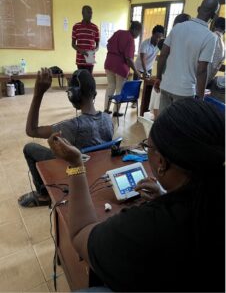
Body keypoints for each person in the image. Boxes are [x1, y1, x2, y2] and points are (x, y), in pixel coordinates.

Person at [48, 98, 225, 292]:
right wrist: (168, 196)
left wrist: (75, 164)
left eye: (147, 147)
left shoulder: (148, 228)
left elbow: (80, 235)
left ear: (162, 163)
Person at [18, 68, 113, 207]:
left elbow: (31, 130)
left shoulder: (72, 126)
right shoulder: (107, 118)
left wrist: (38, 93)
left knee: (30, 148)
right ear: (95, 93)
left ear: (72, 96)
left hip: (75, 169)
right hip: (98, 172)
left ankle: (43, 195)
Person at [155, 0, 220, 113]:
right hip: (184, 92)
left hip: (166, 85)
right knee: (179, 128)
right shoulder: (210, 37)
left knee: (163, 124)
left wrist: (158, 77)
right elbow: (202, 70)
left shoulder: (178, 28)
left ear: (198, 8)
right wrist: (200, 98)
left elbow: (163, 54)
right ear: (214, 16)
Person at [149, 14, 191, 120]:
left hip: (169, 82)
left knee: (161, 109)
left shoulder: (174, 37)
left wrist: (158, 77)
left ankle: (159, 126)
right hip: (177, 84)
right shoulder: (188, 40)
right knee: (166, 110)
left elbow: (162, 56)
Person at [104, 21, 142, 117]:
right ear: (135, 30)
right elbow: (129, 58)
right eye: (139, 32)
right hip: (120, 66)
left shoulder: (119, 32)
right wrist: (136, 71)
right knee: (119, 89)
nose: (138, 35)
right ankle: (115, 112)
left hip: (109, 62)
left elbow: (108, 44)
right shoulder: (130, 39)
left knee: (111, 86)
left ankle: (106, 110)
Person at [72, 5, 100, 74]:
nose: (90, 15)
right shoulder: (76, 27)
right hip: (80, 59)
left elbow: (97, 45)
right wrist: (81, 50)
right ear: (82, 13)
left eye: (91, 13)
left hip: (90, 59)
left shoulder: (95, 28)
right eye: (88, 12)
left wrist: (94, 51)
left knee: (89, 79)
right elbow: (73, 44)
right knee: (81, 79)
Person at [207, 16, 225, 84]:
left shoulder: (208, 36)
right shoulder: (224, 47)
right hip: (206, 84)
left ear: (214, 26)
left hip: (192, 81)